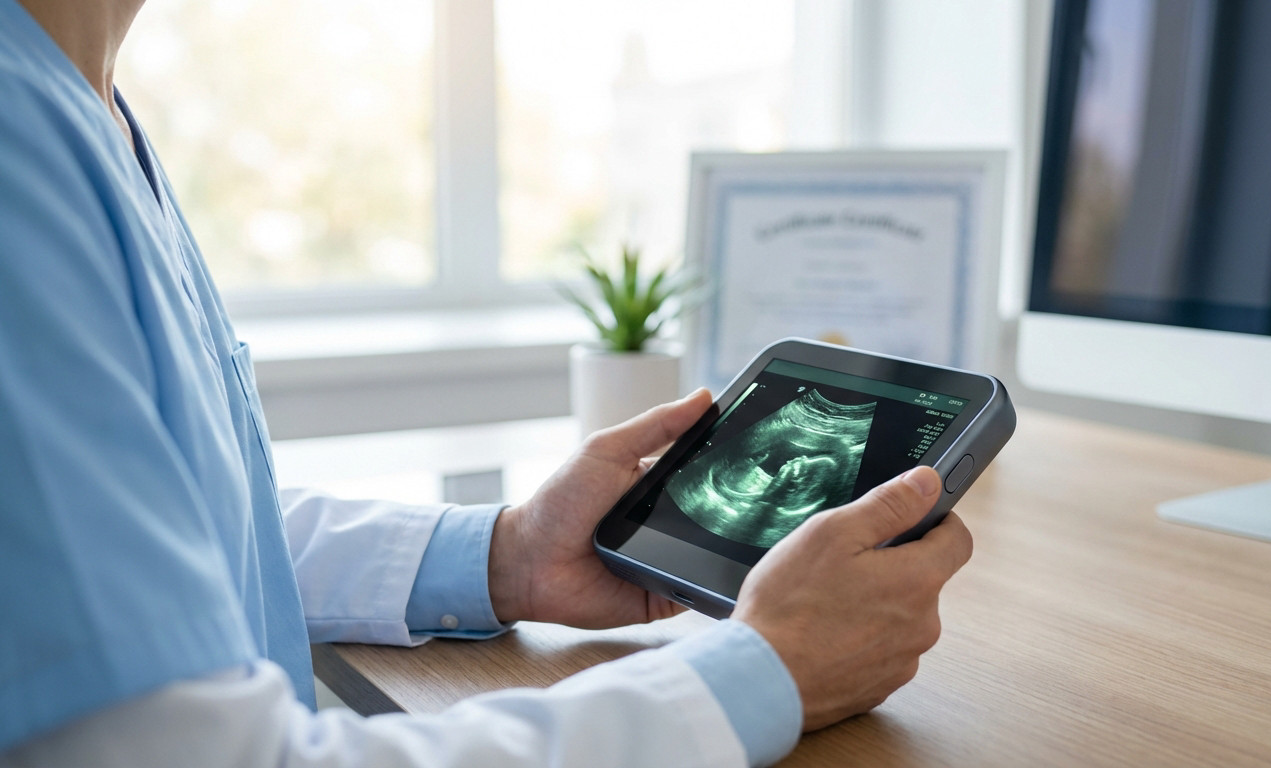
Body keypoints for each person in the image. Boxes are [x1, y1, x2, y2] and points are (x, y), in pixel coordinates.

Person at [0, 1, 975, 765]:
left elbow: (153, 548)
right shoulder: (17, 153)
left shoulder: (85, 105)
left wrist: (502, 558)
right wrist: (762, 674)